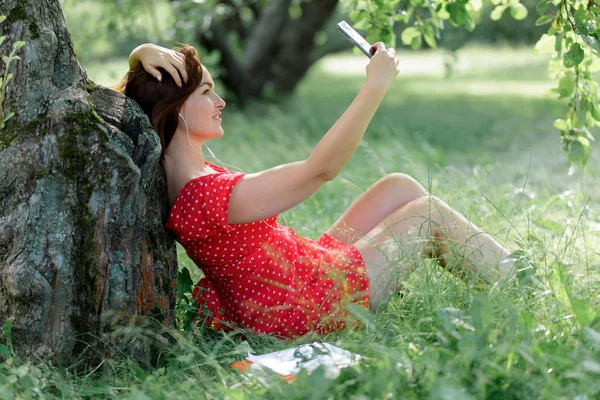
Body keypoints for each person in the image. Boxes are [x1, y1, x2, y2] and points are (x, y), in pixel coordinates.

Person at [119, 43, 515, 338]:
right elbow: (321, 169)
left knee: (399, 188)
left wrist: (141, 53)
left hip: (300, 274)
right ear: (172, 109)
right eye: (206, 93)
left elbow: (127, 101)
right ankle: (523, 288)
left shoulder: (190, 179)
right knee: (429, 213)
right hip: (304, 307)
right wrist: (374, 86)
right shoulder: (205, 194)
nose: (220, 101)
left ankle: (499, 280)